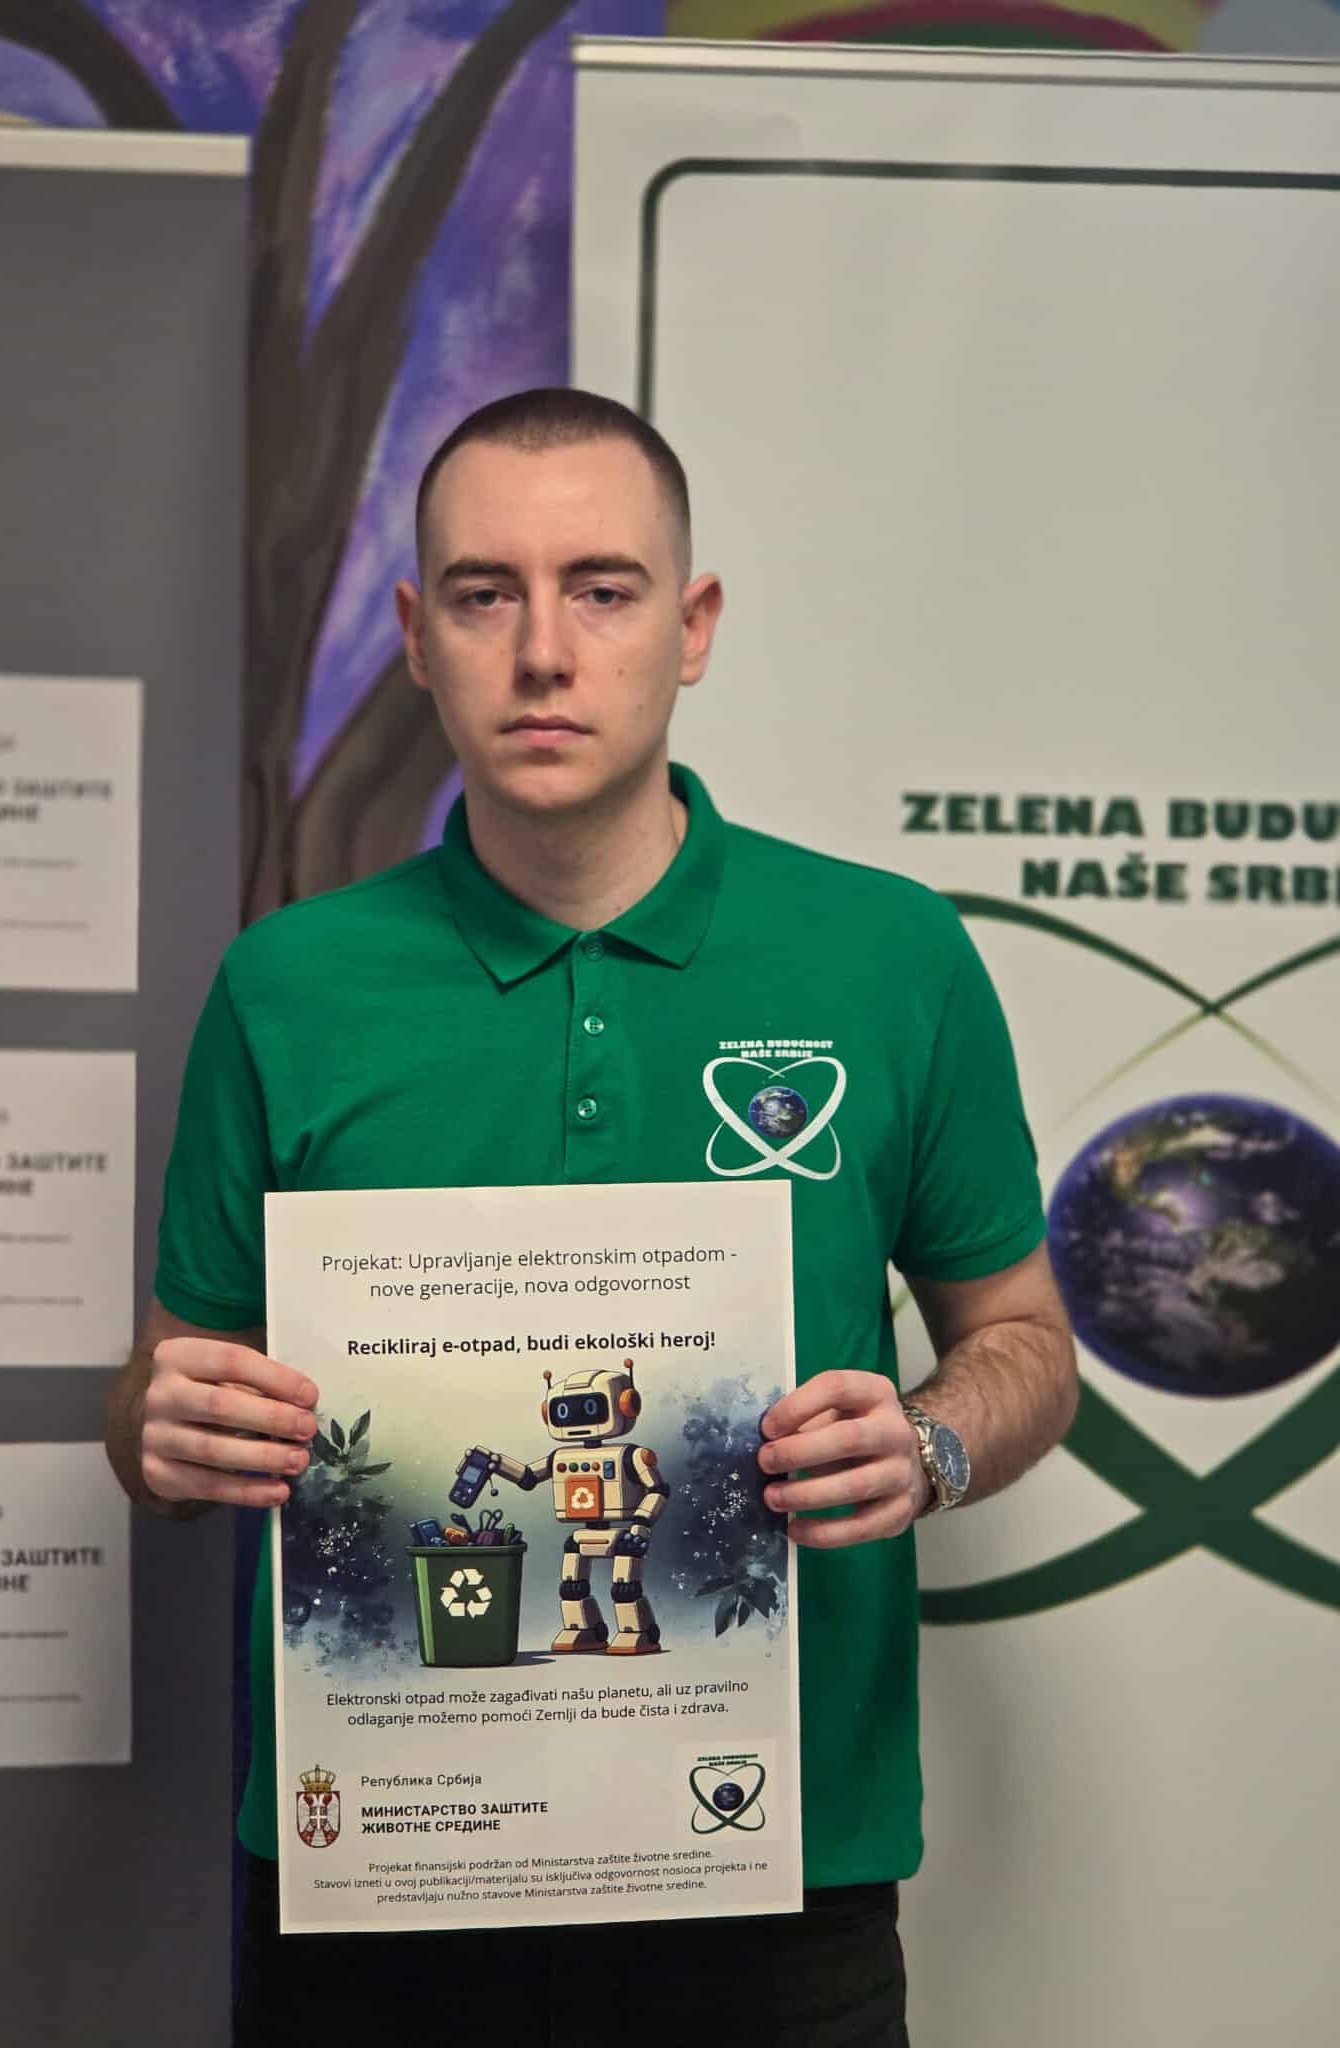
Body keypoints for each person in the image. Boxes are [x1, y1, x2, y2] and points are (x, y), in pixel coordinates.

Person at [105, 387, 1078, 2046]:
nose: (543, 652)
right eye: (484, 594)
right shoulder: (287, 985)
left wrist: (929, 1445)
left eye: (603, 590)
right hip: (380, 1881)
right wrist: (165, 1429)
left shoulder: (891, 957)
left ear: (691, 627)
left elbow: (1027, 1343)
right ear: (417, 638)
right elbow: (155, 1400)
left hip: (773, 1876)